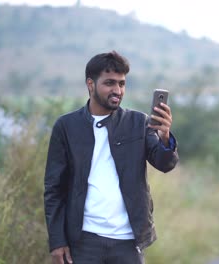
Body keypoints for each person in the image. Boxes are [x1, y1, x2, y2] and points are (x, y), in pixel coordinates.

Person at [44, 51, 179, 264]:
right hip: (83, 241)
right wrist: (57, 241)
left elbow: (165, 164)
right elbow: (54, 189)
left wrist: (164, 137)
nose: (117, 90)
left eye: (122, 84)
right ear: (90, 84)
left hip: (128, 242)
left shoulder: (139, 123)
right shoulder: (66, 127)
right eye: (110, 83)